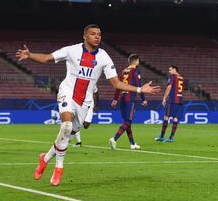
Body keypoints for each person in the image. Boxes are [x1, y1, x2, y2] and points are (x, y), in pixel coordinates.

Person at [16, 24, 160, 186]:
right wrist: (30, 55)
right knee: (66, 126)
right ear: (85, 36)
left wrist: (140, 89)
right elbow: (47, 58)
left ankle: (45, 158)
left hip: (85, 101)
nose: (97, 37)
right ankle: (59, 168)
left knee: (69, 135)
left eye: (99, 34)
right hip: (68, 91)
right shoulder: (72, 50)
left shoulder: (104, 57)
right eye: (93, 34)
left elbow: (116, 83)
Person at [109, 54, 147, 150]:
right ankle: (114, 138)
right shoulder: (135, 71)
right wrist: (143, 99)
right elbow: (139, 87)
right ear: (136, 61)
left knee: (127, 121)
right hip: (130, 98)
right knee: (128, 120)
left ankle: (132, 143)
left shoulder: (123, 71)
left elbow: (118, 86)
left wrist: (115, 99)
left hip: (122, 98)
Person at [155, 66, 184, 143]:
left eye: (170, 70)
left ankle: (161, 137)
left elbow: (169, 87)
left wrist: (164, 97)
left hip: (172, 100)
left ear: (175, 70)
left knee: (166, 117)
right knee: (175, 118)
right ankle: (171, 138)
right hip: (180, 100)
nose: (169, 71)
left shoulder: (172, 76)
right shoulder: (181, 78)